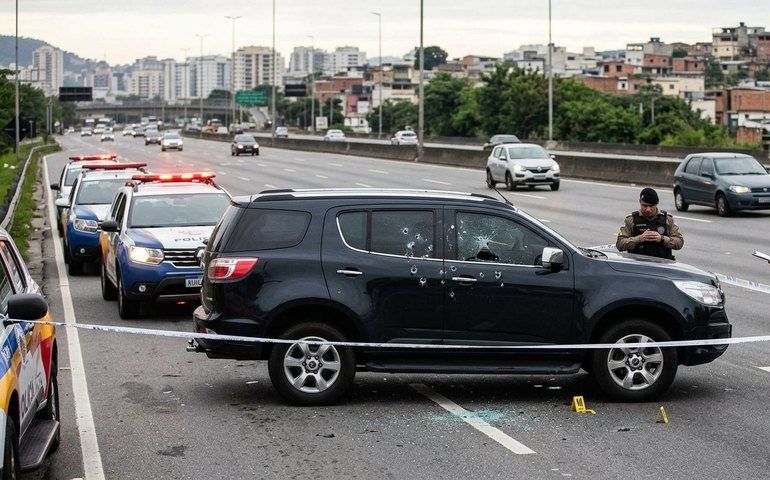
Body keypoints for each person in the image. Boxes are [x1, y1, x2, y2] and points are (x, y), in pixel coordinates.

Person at [616, 187, 683, 260]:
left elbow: (679, 242)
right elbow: (620, 244)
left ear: (656, 204)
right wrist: (639, 239)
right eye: (644, 205)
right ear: (640, 202)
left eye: (651, 206)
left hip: (662, 265)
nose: (648, 209)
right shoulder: (630, 220)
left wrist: (662, 239)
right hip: (637, 265)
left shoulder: (667, 219)